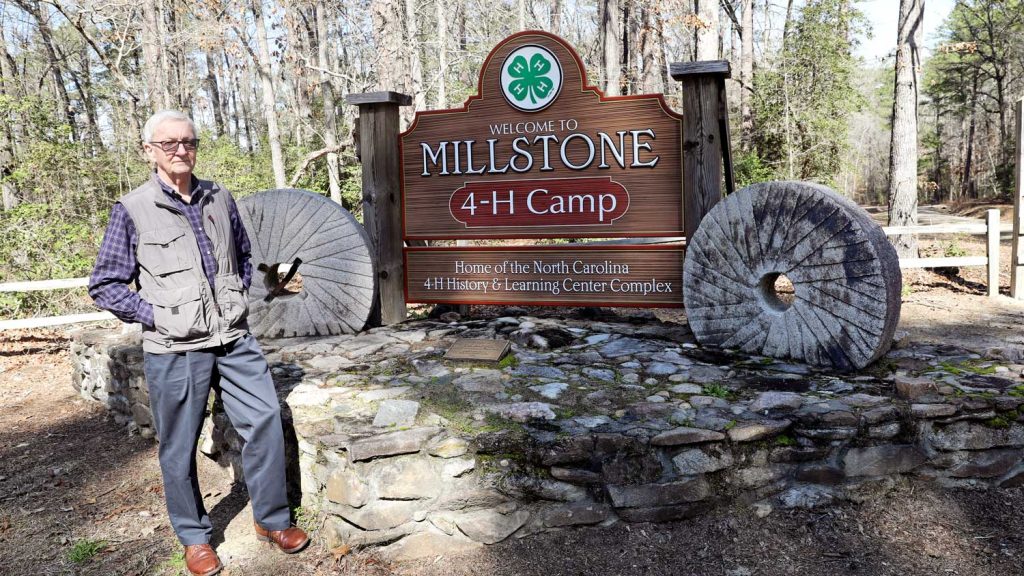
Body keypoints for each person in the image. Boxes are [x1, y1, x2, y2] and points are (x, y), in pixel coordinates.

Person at [88, 110, 309, 576]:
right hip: (176, 348)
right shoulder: (132, 209)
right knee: (179, 443)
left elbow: (244, 258)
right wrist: (161, 317)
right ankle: (194, 536)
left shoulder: (219, 197)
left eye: (188, 142)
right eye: (169, 144)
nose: (181, 151)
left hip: (232, 337)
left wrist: (241, 298)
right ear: (149, 150)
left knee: (266, 418)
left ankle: (271, 520)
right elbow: (105, 284)